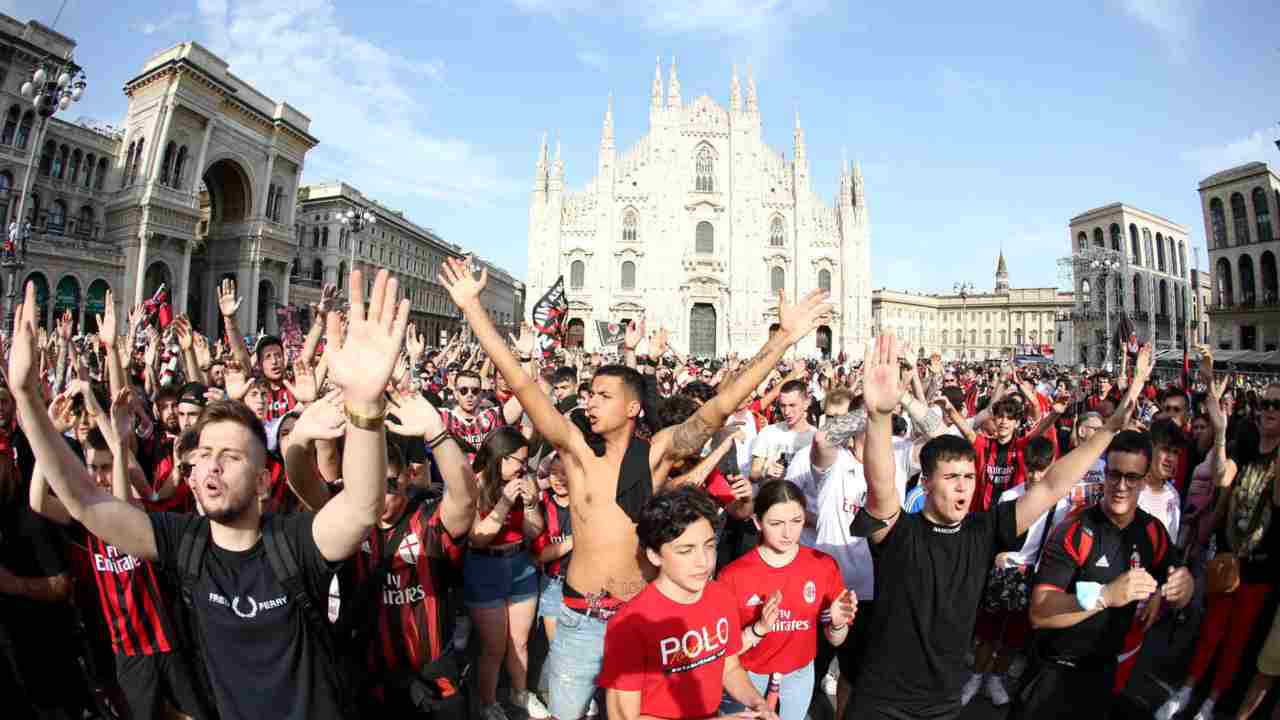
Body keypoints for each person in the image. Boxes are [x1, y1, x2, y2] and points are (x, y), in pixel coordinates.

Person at [439, 256, 832, 720]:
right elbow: (522, 383)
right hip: (580, 620)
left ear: (631, 408)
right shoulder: (576, 454)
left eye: (603, 395)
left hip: (641, 620)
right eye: (589, 393)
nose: (590, 401)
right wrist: (472, 309)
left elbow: (721, 405)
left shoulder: (657, 453)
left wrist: (782, 338)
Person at [11, 269, 410, 720]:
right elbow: (84, 501)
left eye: (231, 456)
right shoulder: (185, 543)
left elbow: (361, 506)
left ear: (263, 481)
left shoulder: (294, 544)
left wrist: (365, 406)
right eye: (203, 455)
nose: (213, 465)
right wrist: (27, 399)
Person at [846, 333, 1153, 720]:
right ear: (925, 482)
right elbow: (880, 482)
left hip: (941, 705)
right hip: (880, 701)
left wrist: (1108, 430)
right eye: (951, 477)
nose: (963, 486)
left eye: (969, 477)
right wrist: (878, 417)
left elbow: (1054, 484)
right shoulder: (898, 531)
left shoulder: (984, 530)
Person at [30, 392, 209, 720]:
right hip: (126, 651)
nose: (100, 477)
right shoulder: (85, 520)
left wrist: (117, 439)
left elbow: (123, 503)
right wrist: (50, 434)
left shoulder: (141, 510)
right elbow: (38, 502)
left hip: (168, 642)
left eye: (107, 468)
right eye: (93, 469)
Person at [1011, 428, 1194, 719]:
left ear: (1145, 480)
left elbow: (1175, 576)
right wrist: (1104, 595)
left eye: (1132, 477)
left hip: (1104, 673)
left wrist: (1184, 585)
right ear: (1105, 473)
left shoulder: (1153, 532)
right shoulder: (1074, 529)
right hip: (1053, 672)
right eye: (1114, 474)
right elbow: (1040, 611)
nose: (1121, 485)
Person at [597, 485, 779, 720]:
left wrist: (757, 703)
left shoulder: (721, 596)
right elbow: (623, 717)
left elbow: (729, 666)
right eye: (686, 551)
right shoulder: (629, 625)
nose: (703, 562)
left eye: (709, 546)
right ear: (654, 555)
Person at [1155, 380, 1280, 720]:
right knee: (1210, 631)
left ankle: (1210, 704)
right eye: (1264, 404)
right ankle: (1185, 692)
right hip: (1227, 560)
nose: (1268, 410)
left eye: (1276, 406)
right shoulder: (1247, 448)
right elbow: (1223, 478)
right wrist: (1222, 432)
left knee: (1236, 641)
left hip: (1260, 568)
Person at [350, 389, 478, 718]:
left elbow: (464, 498)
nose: (380, 491)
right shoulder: (349, 523)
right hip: (375, 675)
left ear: (408, 477)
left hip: (433, 679)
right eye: (372, 481)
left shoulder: (427, 521)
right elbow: (311, 484)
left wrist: (436, 431)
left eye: (390, 482)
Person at [717, 480, 857, 720]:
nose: (787, 533)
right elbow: (722, 652)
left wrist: (837, 623)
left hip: (799, 677)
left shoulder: (822, 566)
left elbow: (836, 640)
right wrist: (757, 630)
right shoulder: (733, 576)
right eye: (776, 523)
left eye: (796, 521)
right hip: (746, 677)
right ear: (757, 522)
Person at [961, 436, 1058, 707]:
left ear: (1052, 466)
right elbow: (994, 536)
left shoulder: (1057, 504)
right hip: (1003, 573)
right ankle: (976, 677)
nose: (1035, 475)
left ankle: (996, 678)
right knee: (988, 633)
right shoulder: (1010, 496)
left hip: (1032, 575)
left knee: (1013, 638)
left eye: (1041, 469)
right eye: (1031, 467)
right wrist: (997, 555)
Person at [464, 427, 547, 720]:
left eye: (526, 462)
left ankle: (519, 693)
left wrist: (532, 503)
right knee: (494, 647)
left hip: (520, 564)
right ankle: (488, 704)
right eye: (518, 461)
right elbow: (477, 537)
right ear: (499, 457)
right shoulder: (474, 484)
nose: (523, 468)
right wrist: (503, 503)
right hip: (485, 567)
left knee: (520, 641)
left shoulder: (523, 482)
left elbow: (534, 530)